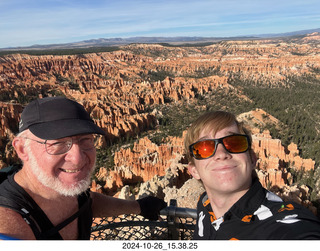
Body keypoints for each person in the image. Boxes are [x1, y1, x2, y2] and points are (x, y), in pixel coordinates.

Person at [0, 96, 166, 240]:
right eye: (57, 143)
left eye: (85, 140)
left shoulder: (64, 189)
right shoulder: (9, 225)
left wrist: (138, 207)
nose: (78, 157)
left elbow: (88, 202)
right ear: (22, 149)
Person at [184, 110, 320, 240]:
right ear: (194, 170)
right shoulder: (204, 205)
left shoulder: (281, 223)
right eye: (204, 148)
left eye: (234, 143)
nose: (221, 154)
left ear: (252, 159)